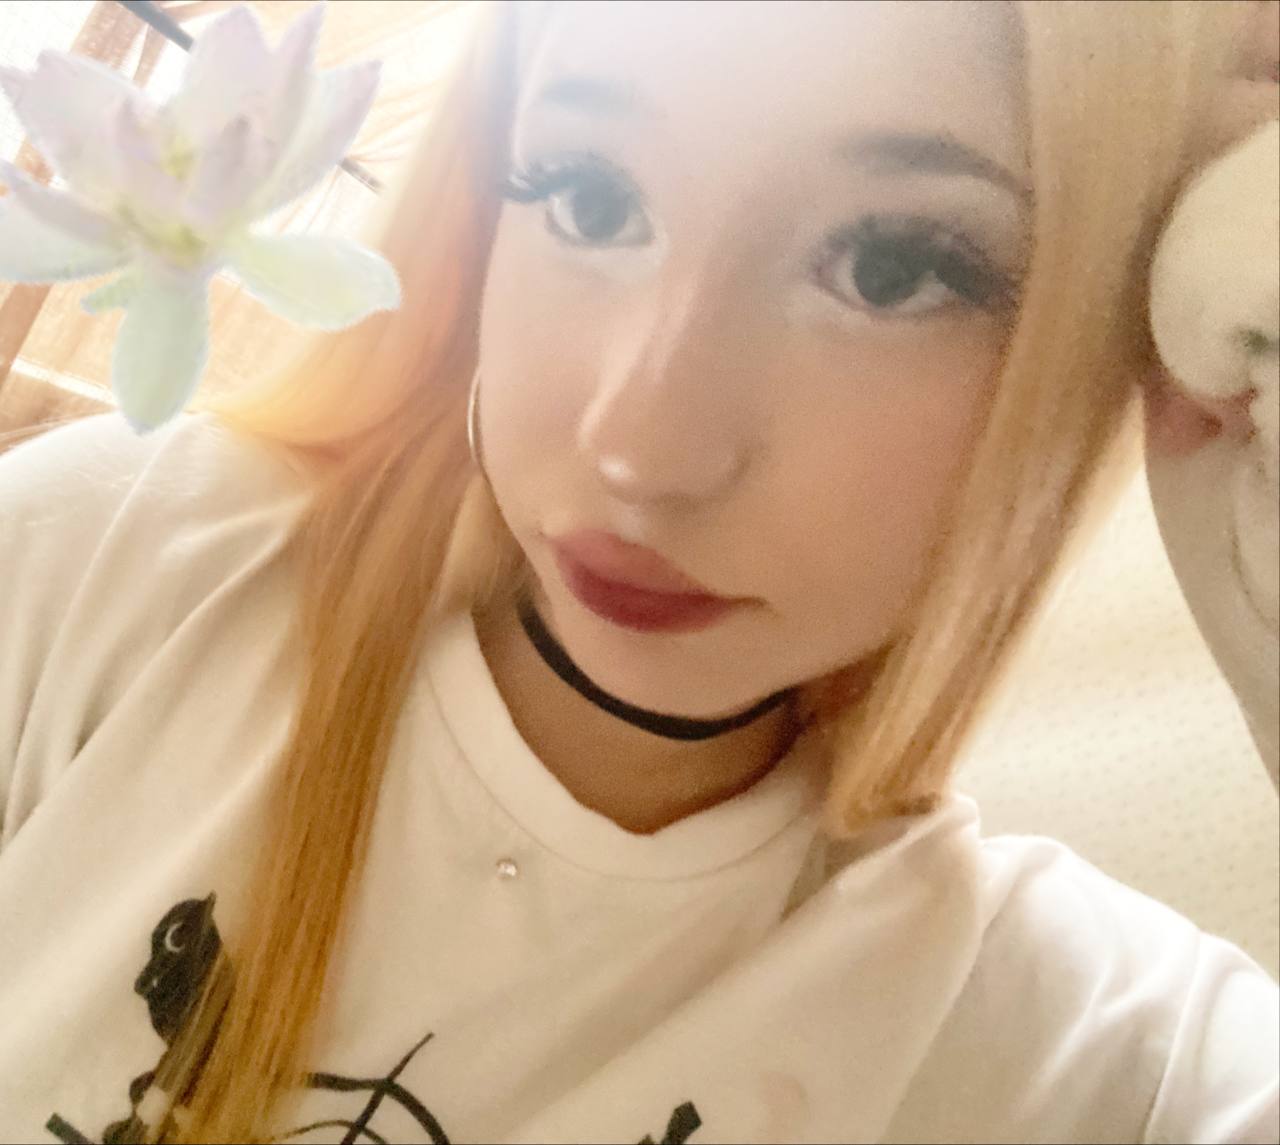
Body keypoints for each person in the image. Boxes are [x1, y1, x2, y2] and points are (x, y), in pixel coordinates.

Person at [0, 1, 1276, 1142]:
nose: (641, 447)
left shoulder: (1068, 1048)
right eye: (588, 197)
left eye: (891, 269)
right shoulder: (121, 558)